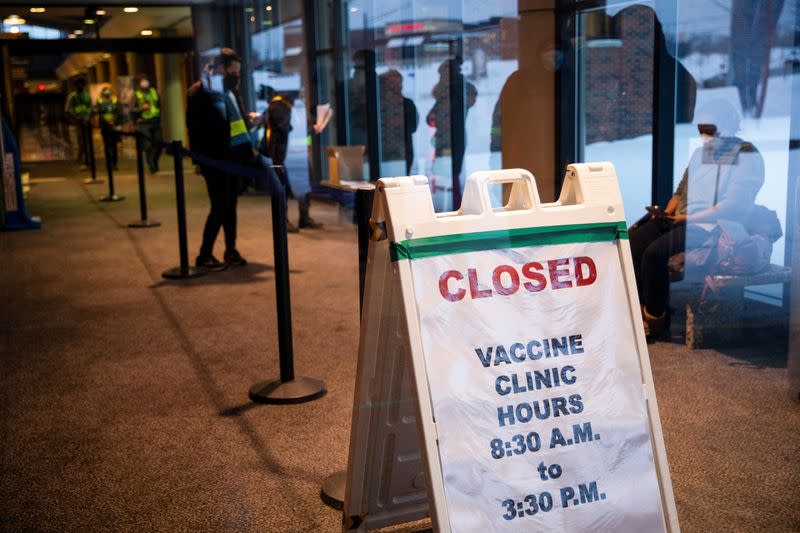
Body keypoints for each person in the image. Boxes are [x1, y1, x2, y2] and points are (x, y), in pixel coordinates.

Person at [629, 99, 764, 340]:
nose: (704, 135)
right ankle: (641, 308)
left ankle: (655, 318)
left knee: (654, 254)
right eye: (700, 129)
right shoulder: (701, 153)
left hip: (713, 225)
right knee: (632, 243)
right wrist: (668, 211)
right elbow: (681, 190)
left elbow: (732, 205)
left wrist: (689, 217)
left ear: (727, 126)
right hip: (683, 218)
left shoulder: (747, 154)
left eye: (709, 129)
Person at [186, 48, 253, 270]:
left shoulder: (227, 93)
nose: (236, 77)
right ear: (221, 69)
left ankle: (230, 251)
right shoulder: (204, 94)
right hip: (215, 160)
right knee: (220, 206)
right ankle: (204, 254)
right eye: (233, 72)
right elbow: (202, 130)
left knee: (228, 205)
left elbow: (234, 125)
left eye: (238, 72)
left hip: (230, 158)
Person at [260, 87, 321, 231]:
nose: (301, 94)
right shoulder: (278, 107)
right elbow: (285, 128)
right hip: (283, 155)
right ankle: (283, 222)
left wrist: (311, 126)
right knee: (284, 190)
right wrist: (311, 129)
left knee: (305, 184)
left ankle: (304, 218)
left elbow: (299, 125)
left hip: (297, 153)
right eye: (299, 92)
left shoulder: (290, 106)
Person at [426, 58, 477, 193]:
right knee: (443, 172)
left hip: (455, 136)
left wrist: (455, 84)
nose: (442, 78)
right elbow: (432, 115)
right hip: (444, 137)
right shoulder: (445, 91)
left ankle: (455, 199)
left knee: (453, 172)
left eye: (444, 74)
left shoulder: (460, 89)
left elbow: (470, 98)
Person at [378, 70, 418, 176]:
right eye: (391, 84)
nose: (395, 87)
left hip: (402, 153)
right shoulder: (378, 105)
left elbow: (413, 127)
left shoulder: (407, 104)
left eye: (398, 83)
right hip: (383, 154)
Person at [133, 74, 163, 173]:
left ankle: (154, 161)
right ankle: (152, 165)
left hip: (156, 121)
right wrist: (140, 110)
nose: (145, 82)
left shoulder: (154, 91)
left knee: (159, 144)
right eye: (142, 81)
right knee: (148, 145)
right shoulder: (136, 94)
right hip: (144, 123)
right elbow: (132, 110)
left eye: (145, 80)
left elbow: (159, 105)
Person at [65, 77, 92, 167]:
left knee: (86, 140)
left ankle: (85, 158)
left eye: (81, 85)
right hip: (78, 121)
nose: (80, 86)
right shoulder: (73, 96)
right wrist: (75, 117)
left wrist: (87, 117)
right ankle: (82, 157)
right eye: (78, 85)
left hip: (86, 120)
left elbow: (90, 107)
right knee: (81, 140)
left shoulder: (87, 95)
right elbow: (68, 109)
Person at [95, 85, 120, 170]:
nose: (107, 92)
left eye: (108, 90)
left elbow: (118, 111)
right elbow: (99, 112)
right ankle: (109, 164)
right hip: (105, 126)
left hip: (113, 126)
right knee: (107, 145)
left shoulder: (114, 99)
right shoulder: (100, 100)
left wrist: (114, 121)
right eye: (105, 91)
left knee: (114, 145)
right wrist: (107, 121)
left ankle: (114, 164)